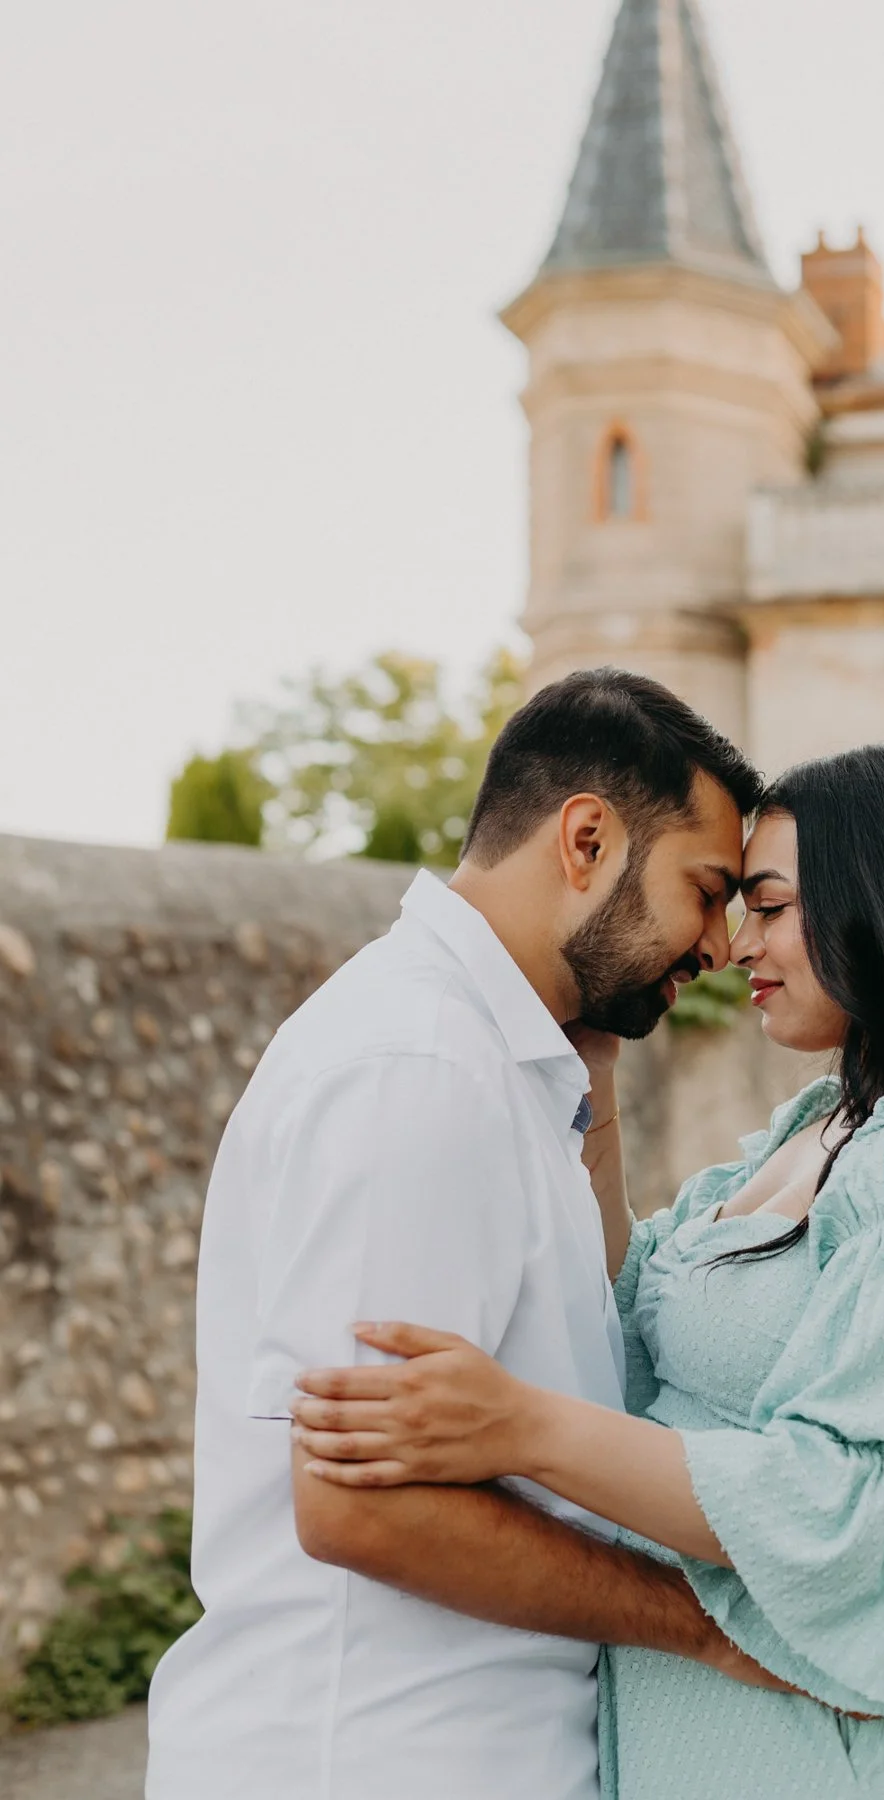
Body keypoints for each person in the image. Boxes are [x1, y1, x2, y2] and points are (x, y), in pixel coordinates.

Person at [292, 739, 884, 1800]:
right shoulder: (821, 1127)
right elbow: (629, 1317)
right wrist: (592, 1076)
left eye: (767, 907)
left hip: (850, 1754)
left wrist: (521, 1428)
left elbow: (842, 1509)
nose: (734, 945)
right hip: (736, 1733)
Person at [148, 667, 808, 1800]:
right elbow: (362, 1506)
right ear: (587, 841)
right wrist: (701, 1625)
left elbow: (578, 1343)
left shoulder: (494, 1060)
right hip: (374, 1760)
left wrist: (591, 1080)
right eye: (705, 891)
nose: (717, 943)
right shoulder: (419, 1068)